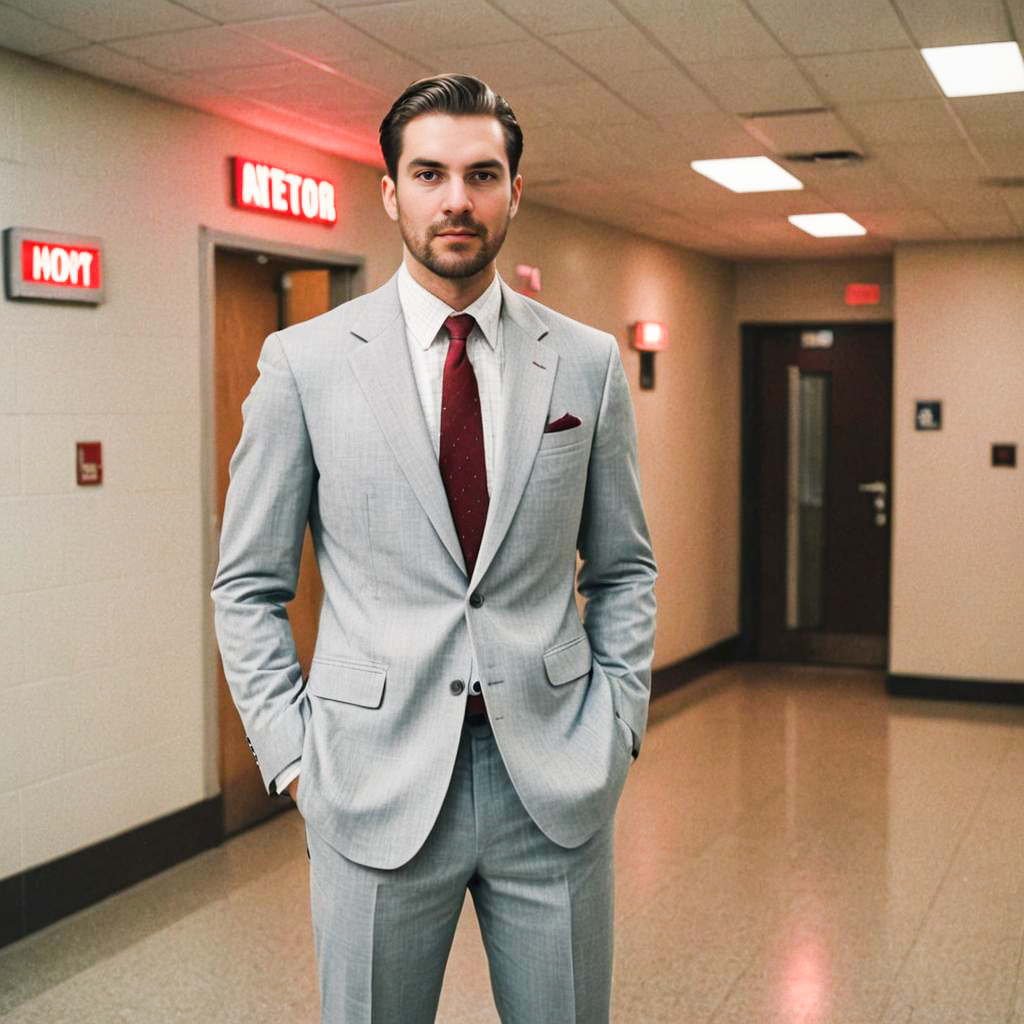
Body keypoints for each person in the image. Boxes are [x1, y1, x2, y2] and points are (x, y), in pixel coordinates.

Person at [211, 72, 657, 1024]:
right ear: (391, 192)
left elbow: (623, 566)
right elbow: (246, 585)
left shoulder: (584, 362)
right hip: (370, 781)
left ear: (514, 192)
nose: (457, 199)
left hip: (554, 778)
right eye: (430, 174)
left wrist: (617, 722)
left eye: (482, 174)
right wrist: (292, 757)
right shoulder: (307, 363)